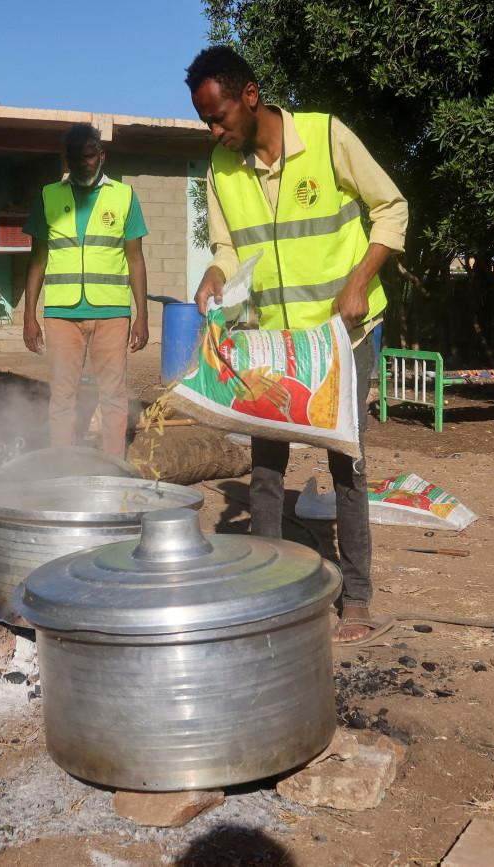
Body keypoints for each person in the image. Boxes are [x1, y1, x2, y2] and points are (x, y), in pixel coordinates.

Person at [185, 47, 409, 645]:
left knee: (347, 461)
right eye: (206, 119)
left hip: (343, 334)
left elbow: (392, 207)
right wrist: (214, 273)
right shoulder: (220, 166)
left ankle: (356, 598)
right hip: (274, 344)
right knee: (266, 467)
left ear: (251, 95)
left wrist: (360, 281)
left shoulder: (326, 136)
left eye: (220, 115)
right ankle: (270, 591)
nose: (215, 129)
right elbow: (231, 250)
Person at [22, 122, 149, 459]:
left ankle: (112, 466)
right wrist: (29, 316)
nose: (83, 164)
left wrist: (143, 316)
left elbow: (135, 259)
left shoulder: (123, 196)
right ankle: (63, 464)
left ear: (102, 156)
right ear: (67, 159)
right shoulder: (50, 196)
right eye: (76, 158)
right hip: (62, 314)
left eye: (90, 157)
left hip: (112, 313)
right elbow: (37, 259)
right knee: (63, 396)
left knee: (113, 395)